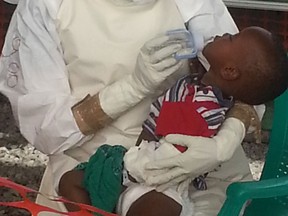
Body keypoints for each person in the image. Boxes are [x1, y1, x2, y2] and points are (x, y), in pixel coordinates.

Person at [0, 0, 279, 215]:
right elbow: (46, 129)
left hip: (196, 159)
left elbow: (245, 76)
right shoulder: (45, 6)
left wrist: (224, 142)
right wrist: (132, 88)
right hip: (92, 159)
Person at [58, 26, 288, 216]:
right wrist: (134, 85)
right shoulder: (194, 86)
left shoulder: (203, 108)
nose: (220, 34)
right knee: (68, 182)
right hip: (134, 170)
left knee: (153, 209)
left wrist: (126, 167)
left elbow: (170, 161)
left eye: (229, 38)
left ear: (228, 70)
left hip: (161, 184)